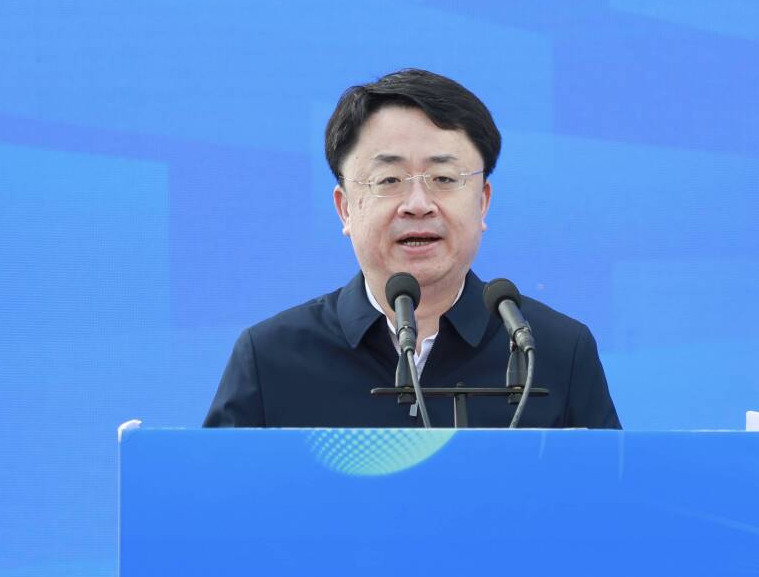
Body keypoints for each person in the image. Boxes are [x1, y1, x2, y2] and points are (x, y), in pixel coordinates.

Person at [203, 69, 619, 429]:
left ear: (482, 203)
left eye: (444, 178)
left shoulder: (554, 352)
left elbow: (608, 493)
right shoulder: (271, 359)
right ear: (345, 209)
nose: (418, 205)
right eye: (388, 180)